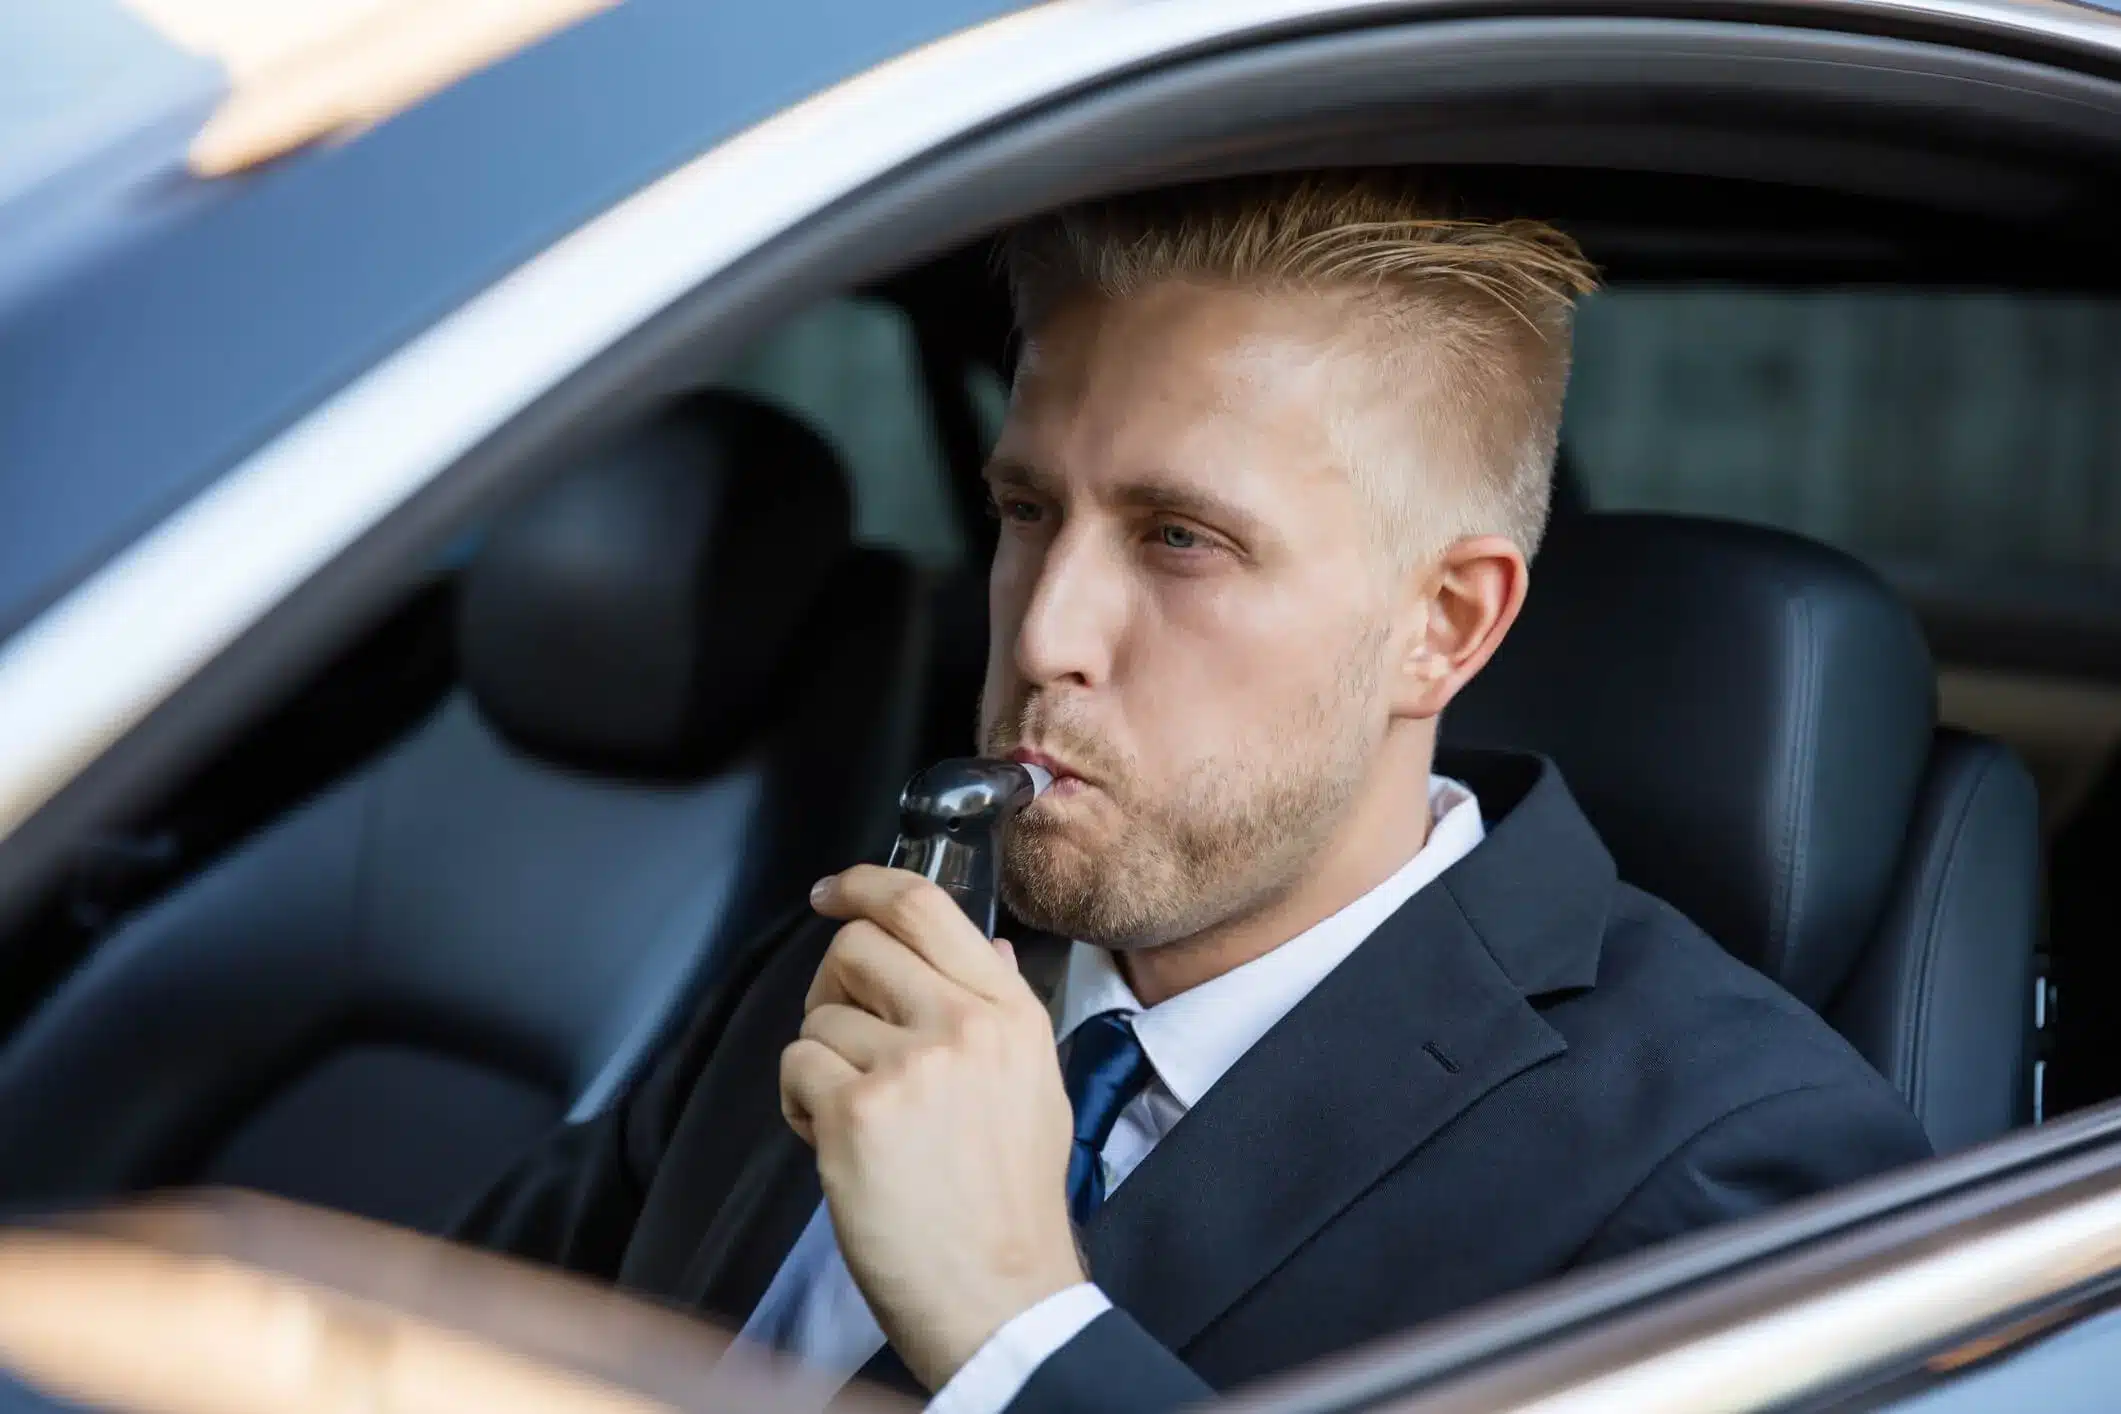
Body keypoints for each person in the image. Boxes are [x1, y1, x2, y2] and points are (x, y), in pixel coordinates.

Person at [458, 172, 1932, 1413]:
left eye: (1179, 538)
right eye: (1028, 511)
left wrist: (1014, 1326)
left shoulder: (1733, 1172)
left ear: (1447, 626)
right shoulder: (861, 963)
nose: (1041, 634)